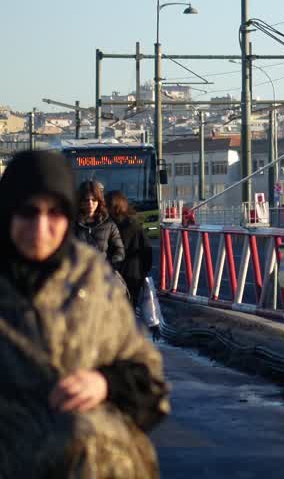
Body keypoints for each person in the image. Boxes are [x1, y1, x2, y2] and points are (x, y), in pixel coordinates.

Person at [0, 150, 170, 476]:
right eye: (28, 212)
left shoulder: (92, 279)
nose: (41, 227)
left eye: (54, 212)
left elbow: (150, 383)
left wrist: (105, 383)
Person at [107, 190, 151, 305]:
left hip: (116, 274)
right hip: (134, 275)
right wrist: (144, 272)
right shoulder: (135, 224)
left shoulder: (110, 226)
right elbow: (147, 250)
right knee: (130, 307)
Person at [73, 180, 125, 268]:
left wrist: (108, 265)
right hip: (77, 273)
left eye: (94, 200)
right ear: (80, 202)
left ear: (99, 201)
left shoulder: (108, 224)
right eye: (86, 200)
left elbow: (119, 251)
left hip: (101, 272)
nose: (90, 204)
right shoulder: (71, 224)